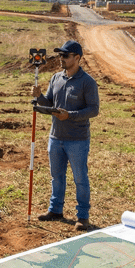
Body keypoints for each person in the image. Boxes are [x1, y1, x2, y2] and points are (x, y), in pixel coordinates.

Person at [32, 40, 99, 231]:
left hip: (77, 140)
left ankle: (83, 217)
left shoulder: (87, 82)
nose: (61, 58)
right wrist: (39, 97)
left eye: (65, 55)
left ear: (77, 58)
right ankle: (55, 210)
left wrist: (70, 115)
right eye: (60, 55)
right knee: (57, 176)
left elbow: (94, 110)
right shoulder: (56, 78)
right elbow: (49, 104)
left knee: (80, 178)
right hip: (55, 137)